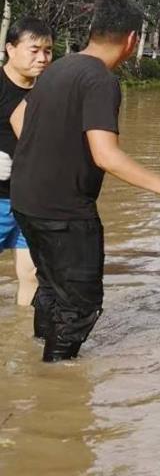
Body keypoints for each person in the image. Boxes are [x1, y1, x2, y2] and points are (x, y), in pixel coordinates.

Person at [10, 0, 160, 362]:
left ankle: (37, 358)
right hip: (64, 211)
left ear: (93, 30)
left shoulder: (57, 67)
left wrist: (46, 156)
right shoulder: (100, 80)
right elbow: (106, 155)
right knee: (80, 305)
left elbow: (17, 117)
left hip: (25, 200)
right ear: (132, 40)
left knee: (52, 288)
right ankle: (55, 376)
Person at [0, 17, 53, 306]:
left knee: (32, 274)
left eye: (48, 51)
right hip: (0, 200)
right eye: (34, 50)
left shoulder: (48, 91)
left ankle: (23, 330)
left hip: (32, 201)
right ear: (11, 49)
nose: (42, 58)